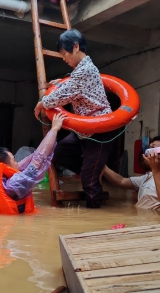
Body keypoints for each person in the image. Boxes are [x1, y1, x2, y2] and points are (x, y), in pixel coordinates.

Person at [34, 29, 115, 208]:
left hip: (98, 131)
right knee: (61, 151)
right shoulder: (80, 71)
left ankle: (94, 219)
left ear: (76, 47)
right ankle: (94, 170)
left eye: (64, 54)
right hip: (83, 130)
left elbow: (61, 96)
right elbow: (71, 85)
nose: (64, 59)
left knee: (88, 179)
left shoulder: (85, 70)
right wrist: (61, 83)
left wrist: (42, 101)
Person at [0, 113, 66, 214]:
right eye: (14, 160)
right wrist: (54, 129)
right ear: (6, 166)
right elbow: (39, 158)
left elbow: (34, 157)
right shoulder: (14, 184)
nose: (18, 163)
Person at [102, 136, 160, 211]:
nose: (147, 151)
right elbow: (121, 181)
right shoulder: (147, 177)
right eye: (148, 148)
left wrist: (156, 170)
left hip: (153, 223)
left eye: (153, 148)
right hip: (142, 219)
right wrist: (101, 166)